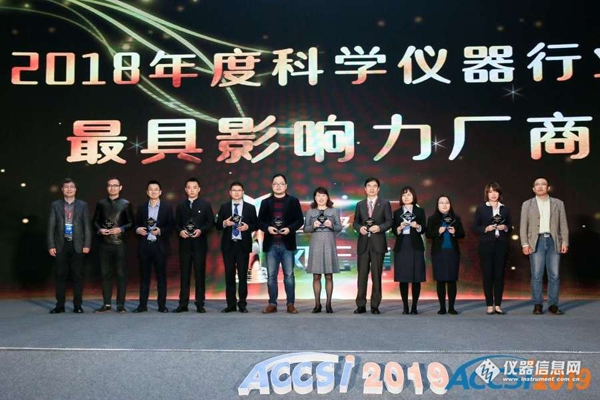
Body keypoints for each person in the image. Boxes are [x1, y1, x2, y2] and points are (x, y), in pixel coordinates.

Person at [520, 177, 569, 315]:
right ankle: (538, 304)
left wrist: (565, 242)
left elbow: (563, 224)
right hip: (536, 241)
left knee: (554, 275)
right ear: (533, 189)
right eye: (537, 184)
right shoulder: (527, 204)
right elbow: (523, 226)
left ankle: (553, 305)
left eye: (543, 184)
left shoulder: (558, 203)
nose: (540, 186)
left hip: (554, 241)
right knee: (537, 275)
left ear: (548, 188)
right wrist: (525, 244)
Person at [258, 174, 304, 314]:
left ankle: (290, 304)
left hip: (287, 244)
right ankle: (272, 304)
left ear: (286, 186)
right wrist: (268, 228)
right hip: (271, 244)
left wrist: (289, 229)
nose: (278, 186)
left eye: (281, 183)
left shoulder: (293, 201)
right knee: (271, 276)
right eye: (275, 184)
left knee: (289, 275)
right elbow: (260, 222)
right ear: (272, 186)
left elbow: (299, 220)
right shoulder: (266, 202)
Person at [47, 178, 92, 313]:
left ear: (75, 189)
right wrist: (51, 245)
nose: (69, 189)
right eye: (66, 187)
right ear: (62, 189)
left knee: (77, 276)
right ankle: (60, 306)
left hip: (77, 244)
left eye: (72, 187)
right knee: (60, 276)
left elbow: (87, 226)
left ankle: (77, 305)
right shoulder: (55, 205)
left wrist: (87, 244)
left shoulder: (83, 205)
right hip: (60, 245)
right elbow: (51, 226)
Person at [93, 177, 134, 313]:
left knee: (121, 274)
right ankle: (106, 304)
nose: (112, 188)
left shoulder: (125, 204)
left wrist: (120, 229)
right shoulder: (101, 204)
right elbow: (95, 221)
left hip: (120, 244)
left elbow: (131, 223)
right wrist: (99, 229)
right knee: (105, 274)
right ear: (107, 188)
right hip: (104, 244)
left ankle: (120, 305)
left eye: (115, 185)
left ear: (120, 188)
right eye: (110, 185)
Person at [216, 182, 258, 313]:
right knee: (229, 276)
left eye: (239, 190)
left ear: (243, 192)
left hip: (242, 245)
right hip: (228, 245)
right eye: (234, 190)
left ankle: (242, 304)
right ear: (230, 192)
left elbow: (256, 225)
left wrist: (247, 227)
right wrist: (225, 223)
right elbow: (218, 225)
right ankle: (231, 304)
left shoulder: (250, 208)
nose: (236, 192)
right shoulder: (224, 207)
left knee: (243, 276)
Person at [174, 178, 214, 313]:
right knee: (184, 275)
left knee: (199, 275)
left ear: (199, 189)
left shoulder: (205, 205)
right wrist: (180, 231)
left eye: (194, 187)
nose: (192, 190)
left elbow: (210, 222)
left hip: (199, 245)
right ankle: (183, 304)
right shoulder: (181, 206)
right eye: (189, 187)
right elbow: (177, 224)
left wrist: (201, 230)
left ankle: (200, 303)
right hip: (184, 245)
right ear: (185, 190)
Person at [352, 177, 393, 314]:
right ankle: (361, 305)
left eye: (374, 186)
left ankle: (375, 305)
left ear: (378, 189)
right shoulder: (360, 204)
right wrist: (360, 228)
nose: (371, 188)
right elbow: (355, 222)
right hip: (363, 244)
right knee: (362, 276)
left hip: (378, 244)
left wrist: (379, 228)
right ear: (365, 189)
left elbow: (389, 221)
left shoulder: (385, 203)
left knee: (376, 275)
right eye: (369, 186)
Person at [133, 180, 174, 313]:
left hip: (160, 246)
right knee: (144, 277)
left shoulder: (167, 208)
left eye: (156, 189)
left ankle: (162, 305)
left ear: (160, 192)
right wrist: (138, 229)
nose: (153, 192)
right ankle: (142, 305)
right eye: (151, 189)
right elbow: (135, 224)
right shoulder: (141, 208)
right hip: (145, 246)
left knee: (161, 277)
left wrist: (161, 231)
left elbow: (171, 226)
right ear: (147, 192)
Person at [474, 182, 512, 315]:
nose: (493, 194)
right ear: (487, 194)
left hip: (501, 244)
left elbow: (510, 226)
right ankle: (489, 305)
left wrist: (505, 227)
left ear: (499, 193)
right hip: (486, 245)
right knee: (487, 275)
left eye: (495, 191)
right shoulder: (481, 208)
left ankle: (498, 305)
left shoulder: (505, 209)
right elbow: (475, 227)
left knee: (499, 275)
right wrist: (486, 228)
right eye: (490, 192)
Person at [303, 187, 342, 313]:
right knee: (316, 276)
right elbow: (305, 229)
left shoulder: (333, 211)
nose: (321, 198)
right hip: (315, 244)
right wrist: (312, 226)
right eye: (318, 195)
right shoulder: (310, 211)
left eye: (323, 195)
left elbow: (339, 227)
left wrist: (332, 225)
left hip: (329, 243)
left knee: (329, 275)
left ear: (327, 197)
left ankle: (329, 304)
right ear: (315, 198)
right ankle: (317, 304)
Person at [426, 195, 465, 315]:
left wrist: (455, 232)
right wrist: (438, 231)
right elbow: (428, 234)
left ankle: (451, 307)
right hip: (438, 253)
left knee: (452, 280)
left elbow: (462, 234)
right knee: (440, 280)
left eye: (446, 202)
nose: (444, 205)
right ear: (437, 205)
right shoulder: (432, 219)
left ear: (450, 204)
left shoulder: (456, 218)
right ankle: (442, 307)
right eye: (441, 203)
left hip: (452, 253)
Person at [392, 186, 426, 315]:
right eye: (404, 195)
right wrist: (399, 228)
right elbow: (394, 230)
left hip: (415, 245)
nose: (406, 197)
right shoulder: (397, 212)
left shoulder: (420, 211)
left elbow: (424, 229)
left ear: (414, 196)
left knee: (416, 277)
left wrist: (417, 226)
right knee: (403, 277)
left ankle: (414, 307)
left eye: (409, 195)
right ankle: (405, 307)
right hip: (402, 246)